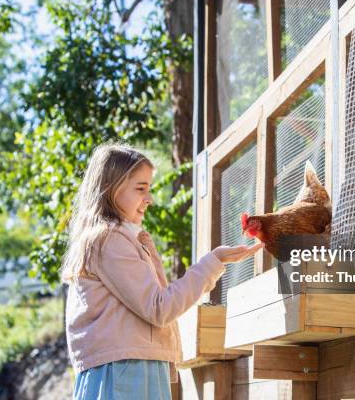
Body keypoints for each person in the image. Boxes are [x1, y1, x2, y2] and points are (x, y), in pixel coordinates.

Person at [61, 142, 263, 399]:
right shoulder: (110, 241)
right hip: (124, 372)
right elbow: (159, 307)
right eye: (140, 189)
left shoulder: (121, 239)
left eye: (150, 189)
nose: (149, 198)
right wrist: (212, 263)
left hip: (127, 368)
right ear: (111, 189)